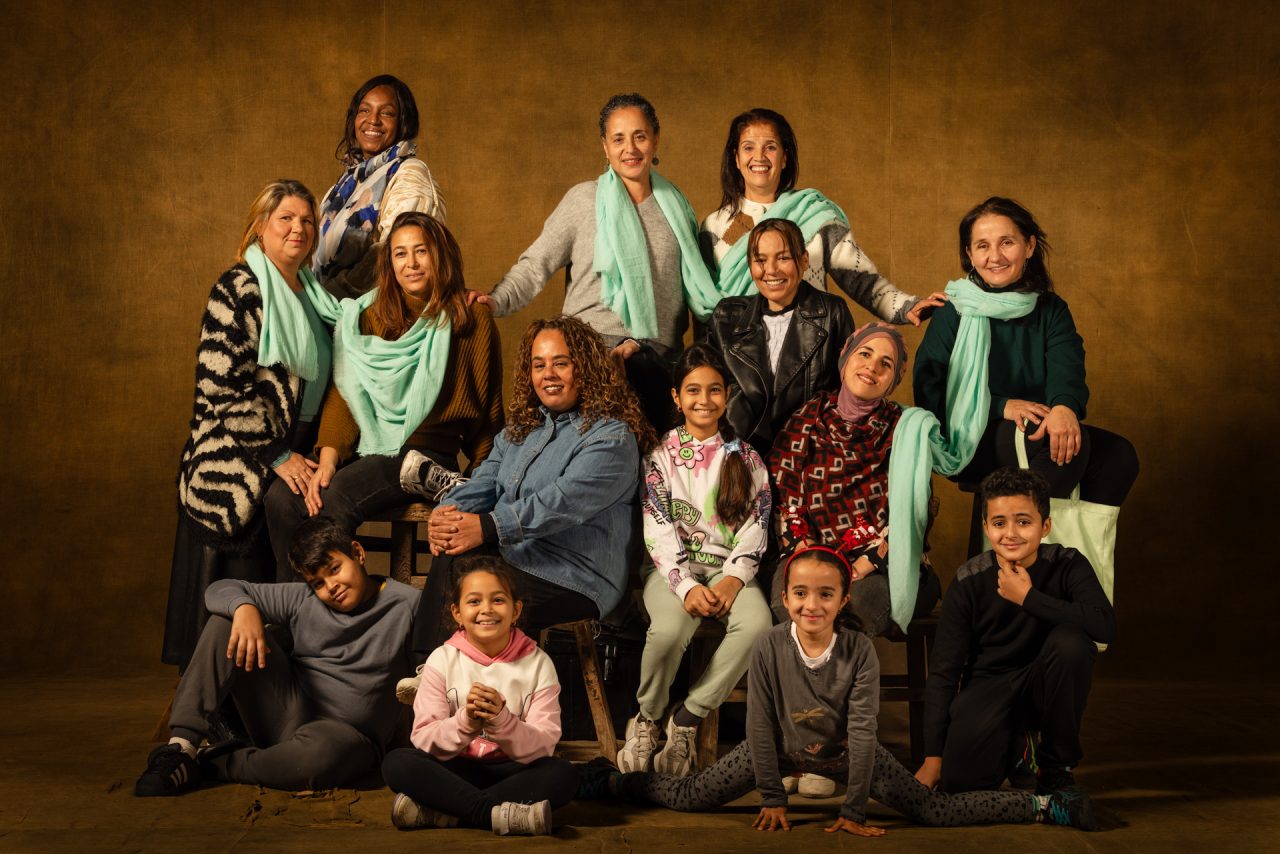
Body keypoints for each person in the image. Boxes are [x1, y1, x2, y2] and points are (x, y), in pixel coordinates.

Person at [601, 548, 1097, 832]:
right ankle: (610, 782)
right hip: (777, 750)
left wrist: (854, 807)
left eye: (825, 594)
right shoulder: (770, 644)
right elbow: (760, 724)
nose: (811, 605)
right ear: (784, 598)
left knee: (935, 809)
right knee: (691, 796)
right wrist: (772, 796)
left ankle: (1042, 806)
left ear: (843, 600)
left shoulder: (858, 650)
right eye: (800, 594)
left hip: (846, 754)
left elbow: (862, 731)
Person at [264, 211, 503, 578]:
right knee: (282, 498)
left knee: (334, 498)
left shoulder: (470, 317)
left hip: (428, 454)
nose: (411, 263)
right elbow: (346, 394)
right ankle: (296, 606)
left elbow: (489, 415)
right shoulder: (370, 315)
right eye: (400, 254)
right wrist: (327, 460)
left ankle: (341, 605)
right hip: (372, 447)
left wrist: (479, 485)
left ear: (440, 255)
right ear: (390, 263)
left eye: (421, 251)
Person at [163, 179, 340, 668]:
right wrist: (276, 455)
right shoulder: (239, 288)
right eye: (286, 218)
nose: (298, 228)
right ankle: (210, 696)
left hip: (298, 446)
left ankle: (270, 693)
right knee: (234, 603)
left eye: (307, 220)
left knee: (276, 587)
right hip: (239, 458)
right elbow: (220, 384)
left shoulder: (316, 297)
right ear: (261, 227)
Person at [410, 315, 656, 657]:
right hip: (515, 555)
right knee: (455, 549)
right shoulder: (522, 428)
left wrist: (486, 526)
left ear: (586, 368)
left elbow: (560, 502)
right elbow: (484, 480)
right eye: (539, 365)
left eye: (561, 363)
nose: (548, 374)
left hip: (573, 576)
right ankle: (432, 670)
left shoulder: (611, 437)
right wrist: (446, 514)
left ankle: (436, 668)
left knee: (483, 590)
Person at [476, 92, 722, 431]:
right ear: (605, 146)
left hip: (660, 360)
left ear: (655, 139)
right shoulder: (583, 200)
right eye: (618, 139)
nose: (630, 148)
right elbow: (535, 266)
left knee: (657, 451)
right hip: (591, 354)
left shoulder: (678, 207)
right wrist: (495, 300)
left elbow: (696, 291)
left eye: (639, 136)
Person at [136, 517, 418, 796]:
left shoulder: (408, 604)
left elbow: (430, 666)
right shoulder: (303, 599)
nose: (331, 586)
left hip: (348, 739)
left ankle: (209, 763)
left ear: (358, 553)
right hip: (287, 712)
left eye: (335, 569)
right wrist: (244, 608)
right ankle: (181, 748)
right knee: (225, 621)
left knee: (321, 759)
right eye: (318, 583)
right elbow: (218, 589)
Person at [912, 196, 1138, 506]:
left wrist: (1064, 407)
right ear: (970, 254)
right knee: (1061, 445)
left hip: (1035, 426)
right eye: (982, 246)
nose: (995, 256)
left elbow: (1067, 367)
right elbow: (930, 392)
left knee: (1118, 456)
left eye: (1007, 242)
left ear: (1029, 246)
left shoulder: (1051, 309)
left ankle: (1051, 538)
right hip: (966, 434)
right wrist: (999, 406)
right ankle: (1014, 532)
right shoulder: (953, 310)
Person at [619, 345, 773, 777]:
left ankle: (686, 719)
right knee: (669, 631)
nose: (704, 400)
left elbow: (757, 524)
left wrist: (734, 579)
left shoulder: (747, 458)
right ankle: (647, 718)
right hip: (672, 571)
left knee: (758, 627)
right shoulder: (659, 457)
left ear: (727, 395)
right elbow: (657, 527)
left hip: (729, 570)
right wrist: (685, 586)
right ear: (676, 396)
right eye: (693, 390)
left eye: (714, 390)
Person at [916, 468, 1115, 797]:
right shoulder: (968, 580)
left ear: (1045, 525)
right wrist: (933, 758)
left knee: (1073, 643)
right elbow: (943, 672)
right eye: (999, 523)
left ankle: (1055, 767)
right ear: (986, 527)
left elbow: (1105, 625)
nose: (1010, 534)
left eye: (1023, 522)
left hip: (1044, 684)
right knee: (961, 783)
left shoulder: (1068, 564)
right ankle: (1020, 747)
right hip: (989, 687)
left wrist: (1028, 598)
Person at [382, 557, 578, 835]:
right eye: (474, 601)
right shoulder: (441, 659)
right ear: (457, 612)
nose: (486, 609)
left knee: (563, 775)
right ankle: (492, 814)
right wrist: (466, 722)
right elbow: (425, 739)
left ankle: (447, 813)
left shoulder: (538, 663)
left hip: (513, 769)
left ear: (515, 610)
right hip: (456, 769)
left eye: (498, 600)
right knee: (397, 763)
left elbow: (543, 745)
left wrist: (502, 720)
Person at [770, 324, 940, 637]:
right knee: (796, 604)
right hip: (808, 553)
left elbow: (915, 513)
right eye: (864, 354)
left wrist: (864, 564)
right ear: (845, 358)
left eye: (886, 363)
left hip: (880, 563)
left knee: (854, 610)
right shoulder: (805, 420)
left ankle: (830, 672)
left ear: (894, 380)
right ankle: (812, 672)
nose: (872, 367)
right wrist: (812, 556)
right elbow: (785, 501)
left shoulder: (905, 431)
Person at [701, 108, 945, 324]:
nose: (759, 157)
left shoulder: (816, 216)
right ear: (736, 158)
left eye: (770, 147)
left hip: (808, 350)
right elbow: (706, 302)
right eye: (748, 148)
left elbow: (862, 281)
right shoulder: (714, 227)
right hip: (737, 354)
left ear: (784, 158)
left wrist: (907, 307)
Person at [704, 218, 854, 455]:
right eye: (760, 260)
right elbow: (706, 390)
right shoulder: (726, 316)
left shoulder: (832, 313)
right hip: (737, 453)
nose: (771, 270)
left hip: (806, 455)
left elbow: (847, 395)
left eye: (783, 258)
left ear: (803, 260)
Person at [315, 74, 446, 298]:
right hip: (328, 308)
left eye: (386, 113)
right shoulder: (348, 183)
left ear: (403, 122)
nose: (373, 120)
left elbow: (397, 256)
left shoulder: (409, 174)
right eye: (365, 110)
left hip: (371, 312)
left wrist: (327, 300)